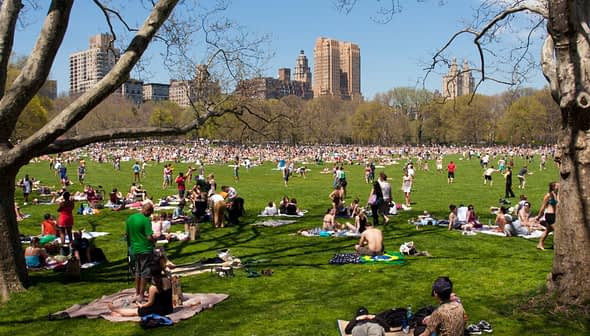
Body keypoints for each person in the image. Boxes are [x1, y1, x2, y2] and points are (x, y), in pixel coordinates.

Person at [109, 259, 174, 317]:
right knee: (138, 310)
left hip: (159, 311)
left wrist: (141, 305)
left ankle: (115, 310)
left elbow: (150, 303)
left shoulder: (153, 288)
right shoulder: (167, 280)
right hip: (169, 309)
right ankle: (118, 314)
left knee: (136, 311)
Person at [126, 202, 156, 302]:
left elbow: (127, 234)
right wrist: (154, 239)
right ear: (147, 211)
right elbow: (149, 237)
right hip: (145, 249)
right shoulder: (146, 220)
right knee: (145, 272)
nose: (150, 215)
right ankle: (141, 295)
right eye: (150, 213)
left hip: (134, 249)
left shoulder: (130, 218)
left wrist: (130, 246)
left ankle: (137, 292)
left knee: (137, 271)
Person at [536, 181, 558, 250]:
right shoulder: (548, 195)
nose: (559, 186)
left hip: (555, 215)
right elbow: (543, 207)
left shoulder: (557, 194)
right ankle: (556, 245)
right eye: (557, 185)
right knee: (557, 230)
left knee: (547, 231)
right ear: (553, 187)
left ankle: (540, 244)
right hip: (550, 215)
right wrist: (539, 216)